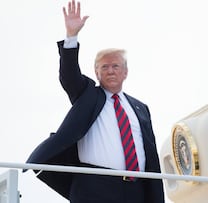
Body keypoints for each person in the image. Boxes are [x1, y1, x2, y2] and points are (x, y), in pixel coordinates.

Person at [26, 0, 165, 202]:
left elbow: (150, 154)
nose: (110, 70)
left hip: (137, 189)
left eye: (115, 66)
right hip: (96, 187)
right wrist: (71, 36)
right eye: (104, 67)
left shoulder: (140, 108)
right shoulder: (88, 95)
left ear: (125, 72)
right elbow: (69, 75)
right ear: (96, 72)